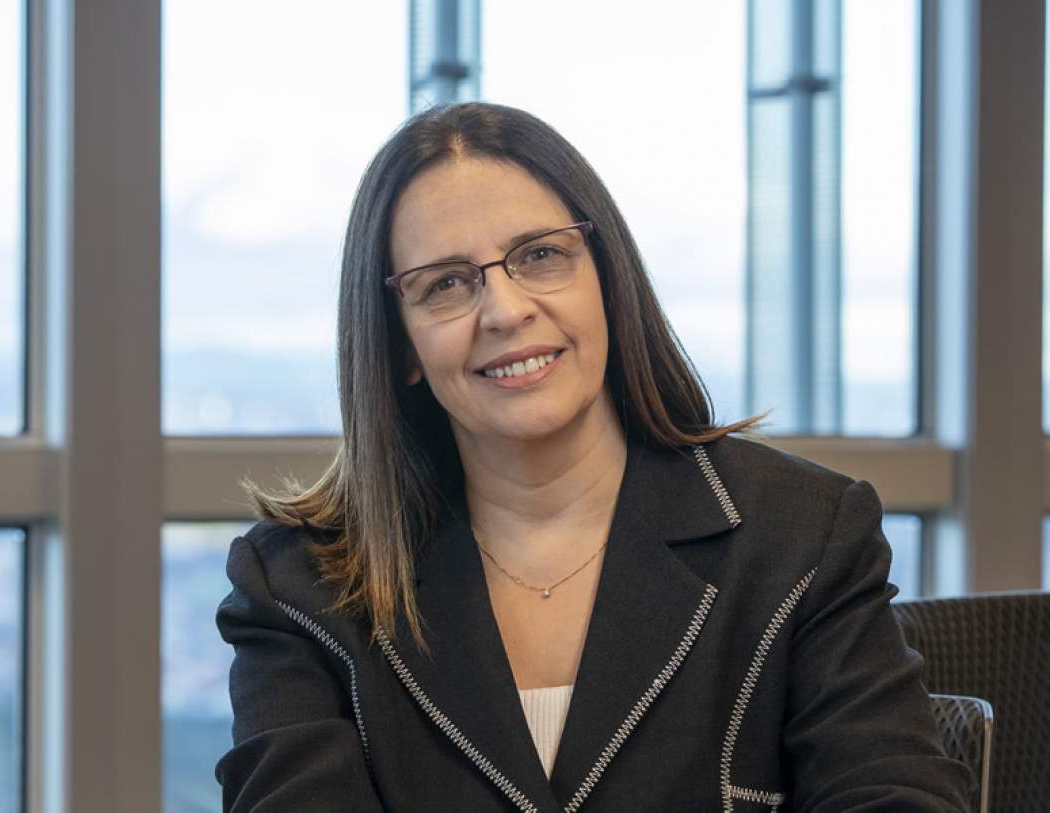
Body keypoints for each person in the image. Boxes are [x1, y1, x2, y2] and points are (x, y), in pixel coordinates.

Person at [215, 102, 971, 812]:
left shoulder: (803, 535)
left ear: (607, 279)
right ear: (400, 343)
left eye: (541, 255)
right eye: (445, 283)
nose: (506, 311)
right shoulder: (295, 589)